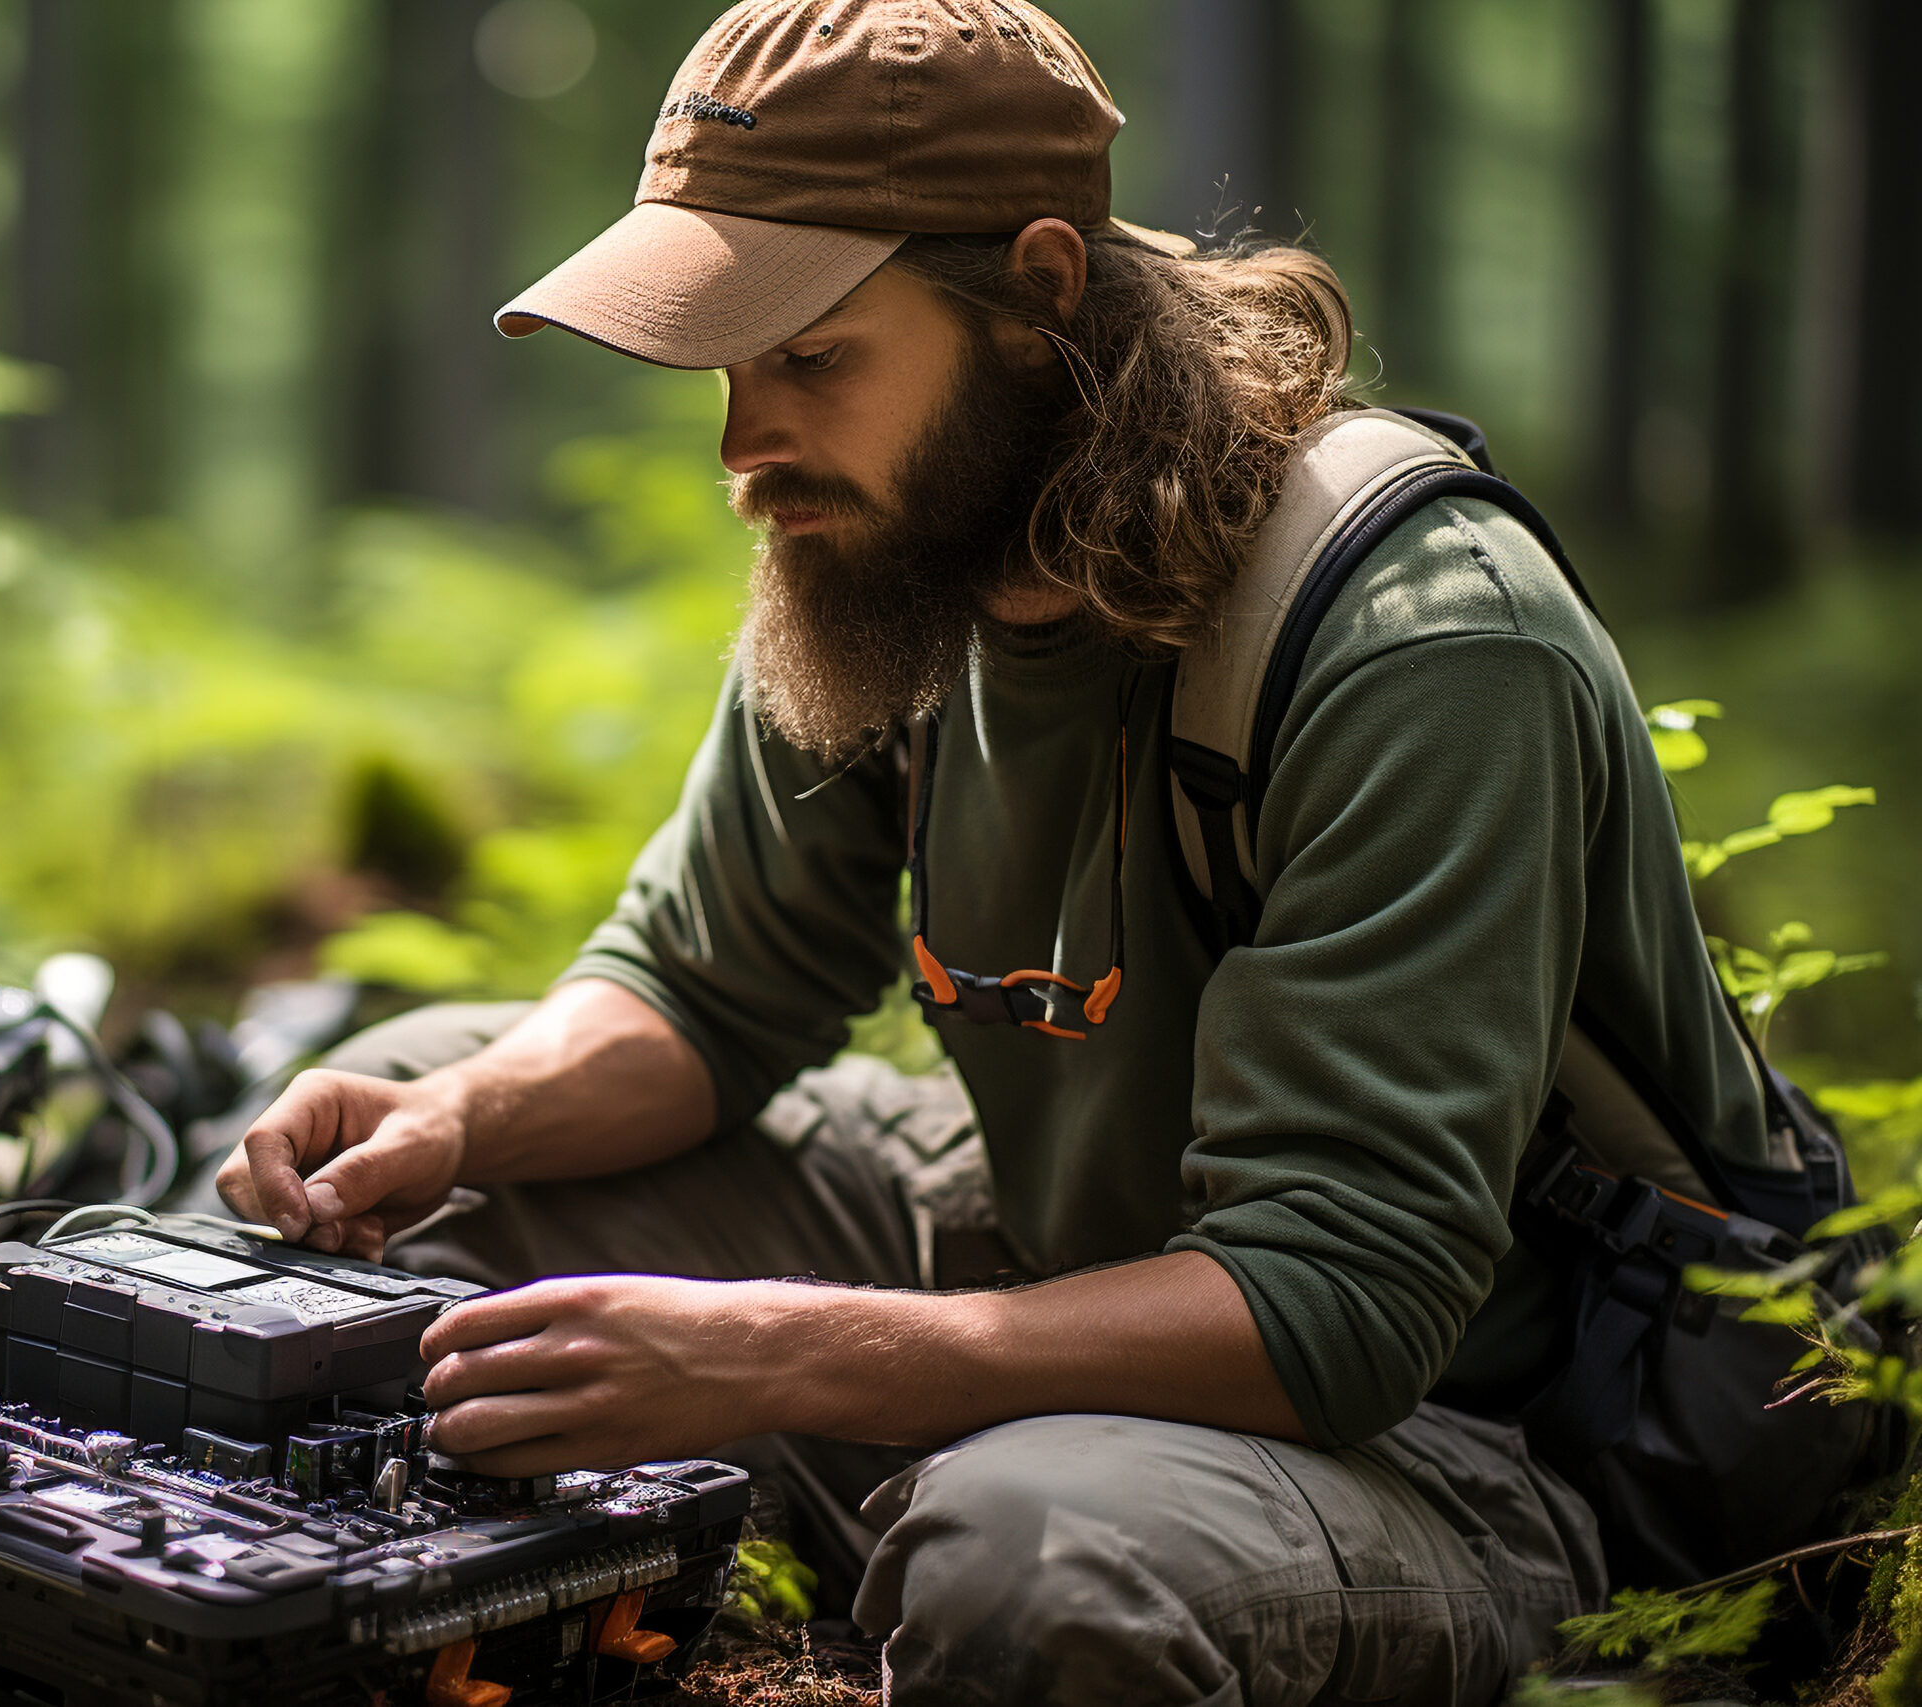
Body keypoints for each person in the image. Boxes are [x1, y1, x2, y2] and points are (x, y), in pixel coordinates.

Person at [216, 2, 1769, 1700]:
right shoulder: (889, 550)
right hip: (1053, 1267)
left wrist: (769, 1355)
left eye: (809, 356)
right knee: (419, 1117)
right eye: (724, 365)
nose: (746, 448)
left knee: (1029, 1563)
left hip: (1467, 1442)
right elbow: (707, 992)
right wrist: (461, 1120)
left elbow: (1342, 1305)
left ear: (1036, 292)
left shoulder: (1422, 642)